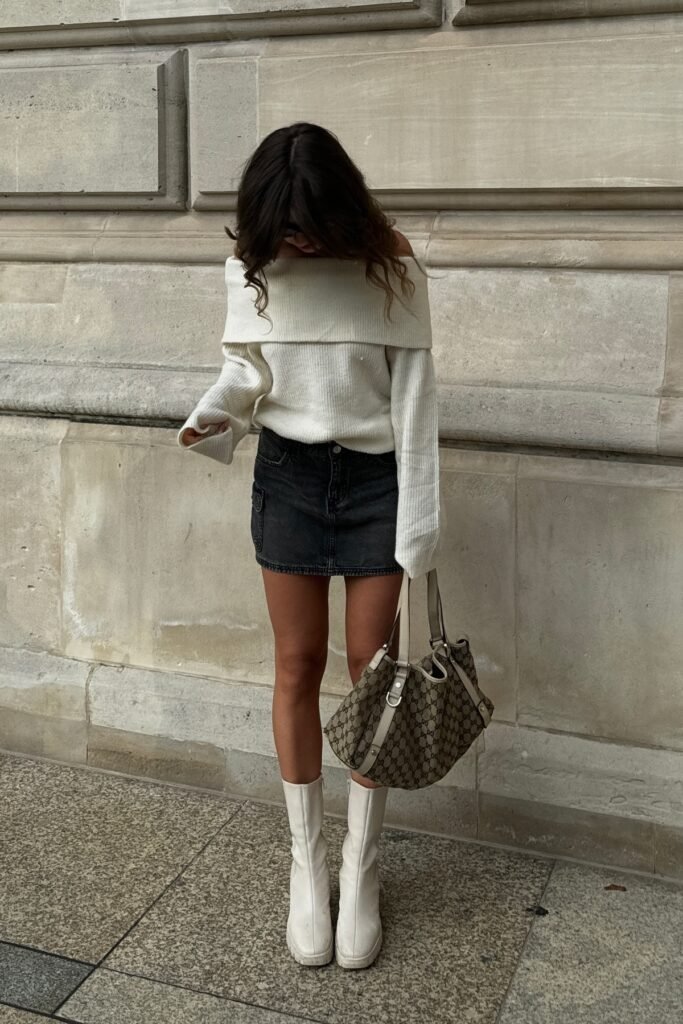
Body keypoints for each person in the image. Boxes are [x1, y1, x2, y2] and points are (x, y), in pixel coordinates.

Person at [177, 122, 440, 970]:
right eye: (284, 228)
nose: (299, 241)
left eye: (310, 225)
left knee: (374, 678)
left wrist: (417, 530)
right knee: (295, 664)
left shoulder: (391, 263)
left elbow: (414, 401)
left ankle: (360, 869)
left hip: (376, 482)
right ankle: (307, 865)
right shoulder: (251, 266)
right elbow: (251, 375)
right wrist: (215, 411)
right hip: (288, 475)